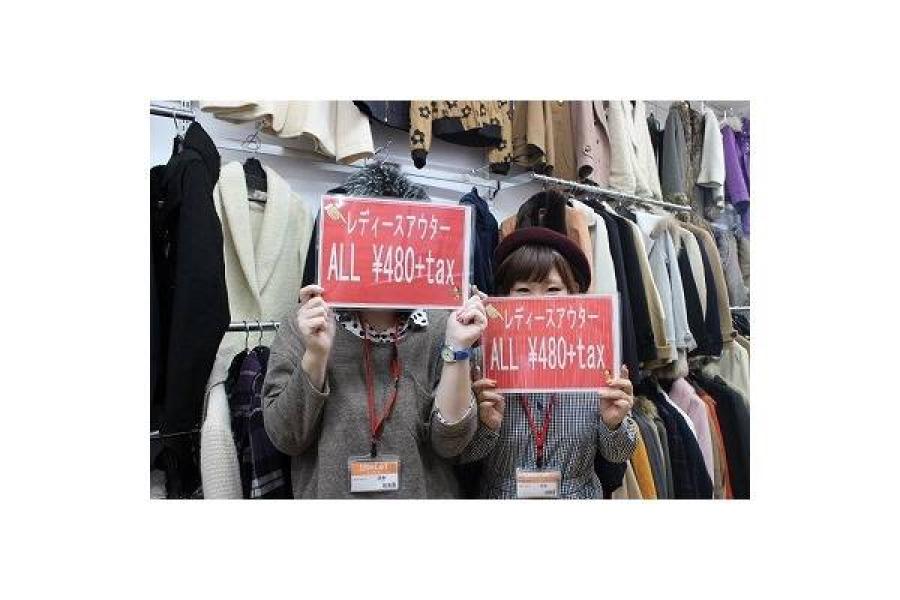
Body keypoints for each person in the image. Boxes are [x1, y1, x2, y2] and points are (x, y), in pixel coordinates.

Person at [459, 227, 638, 499]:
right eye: (523, 290)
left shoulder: (598, 360)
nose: (538, 302)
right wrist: (486, 426)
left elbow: (618, 455)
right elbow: (460, 455)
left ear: (573, 293)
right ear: (505, 296)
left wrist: (613, 424)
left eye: (553, 289)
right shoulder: (481, 363)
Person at [261, 284, 487, 498]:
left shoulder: (443, 323)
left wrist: (458, 348)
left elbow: (451, 445)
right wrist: (315, 354)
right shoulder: (308, 322)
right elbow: (286, 437)